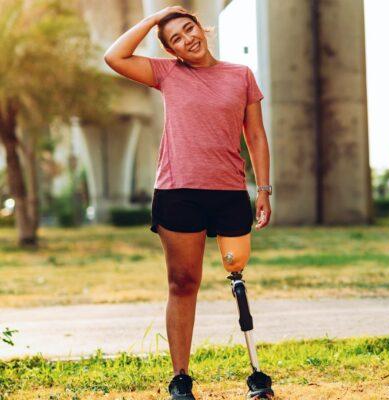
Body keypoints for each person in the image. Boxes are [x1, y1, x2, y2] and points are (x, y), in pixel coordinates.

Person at [104, 6, 274, 399]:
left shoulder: (240, 75)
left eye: (188, 29)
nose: (187, 39)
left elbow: (257, 137)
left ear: (202, 28)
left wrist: (263, 190)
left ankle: (257, 376)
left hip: (229, 191)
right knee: (183, 283)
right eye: (175, 39)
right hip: (178, 192)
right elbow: (114, 57)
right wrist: (156, 18)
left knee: (237, 275)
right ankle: (181, 379)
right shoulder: (168, 74)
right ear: (171, 52)